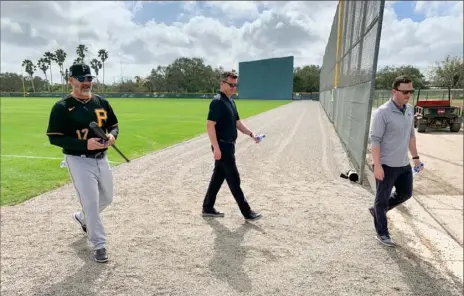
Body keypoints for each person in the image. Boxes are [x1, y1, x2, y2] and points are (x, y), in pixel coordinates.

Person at [46, 63, 119, 263]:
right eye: (81, 79)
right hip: (78, 160)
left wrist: (112, 137)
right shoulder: (61, 107)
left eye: (89, 78)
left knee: (108, 197)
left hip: (102, 158)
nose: (86, 83)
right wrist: (84, 144)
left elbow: (113, 125)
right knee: (91, 202)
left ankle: (82, 217)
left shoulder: (101, 102)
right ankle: (99, 244)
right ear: (71, 80)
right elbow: (54, 138)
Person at [369, 75, 423, 247]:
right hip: (386, 165)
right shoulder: (382, 113)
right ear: (394, 91)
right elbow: (375, 140)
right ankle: (382, 233)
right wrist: (377, 165)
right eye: (405, 91)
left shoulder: (409, 110)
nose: (408, 94)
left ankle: (377, 211)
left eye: (411, 91)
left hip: (403, 164)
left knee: (406, 193)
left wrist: (415, 159)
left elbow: (411, 136)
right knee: (381, 199)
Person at [202, 70, 262, 221]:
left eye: (235, 85)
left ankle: (207, 207)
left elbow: (237, 123)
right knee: (234, 179)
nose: (234, 88)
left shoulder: (231, 101)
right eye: (231, 85)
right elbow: (210, 125)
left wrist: (251, 134)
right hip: (222, 147)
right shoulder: (217, 102)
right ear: (222, 84)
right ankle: (247, 212)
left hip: (229, 145)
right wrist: (216, 147)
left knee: (218, 177)